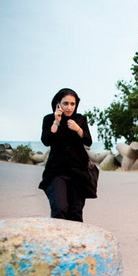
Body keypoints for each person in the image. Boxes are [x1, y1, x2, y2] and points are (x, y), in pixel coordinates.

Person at [39, 88, 95, 222]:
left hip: (78, 171)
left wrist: (78, 129)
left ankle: (76, 242)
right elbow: (46, 141)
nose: (69, 107)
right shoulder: (49, 119)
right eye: (65, 103)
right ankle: (59, 241)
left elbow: (88, 141)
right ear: (58, 104)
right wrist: (56, 123)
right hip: (56, 171)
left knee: (75, 212)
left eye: (72, 104)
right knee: (59, 208)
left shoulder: (80, 119)